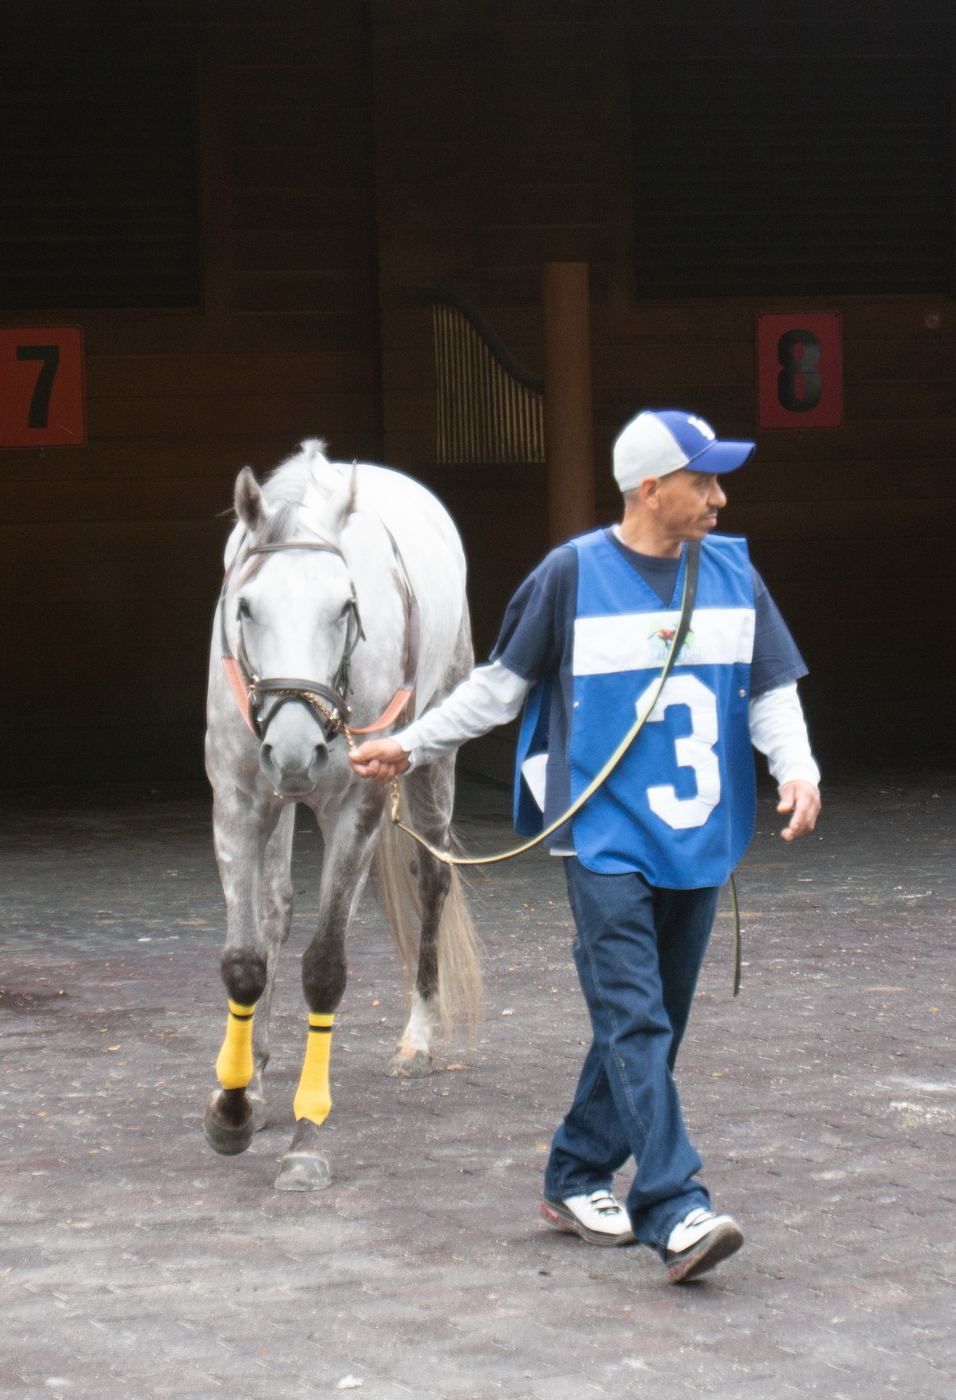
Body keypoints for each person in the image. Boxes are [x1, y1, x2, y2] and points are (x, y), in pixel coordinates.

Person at [349, 409, 822, 1284]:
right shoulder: (570, 575)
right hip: (603, 838)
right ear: (651, 487)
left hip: (702, 836)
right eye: (703, 481)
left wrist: (797, 768)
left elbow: (770, 690)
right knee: (637, 1017)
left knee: (653, 1023)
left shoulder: (734, 573)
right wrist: (409, 745)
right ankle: (675, 1207)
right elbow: (498, 689)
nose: (719, 497)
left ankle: (574, 1174)